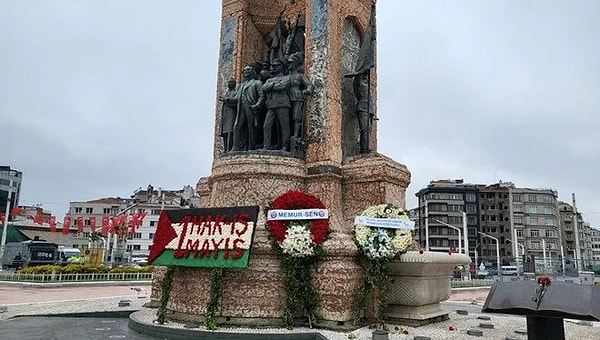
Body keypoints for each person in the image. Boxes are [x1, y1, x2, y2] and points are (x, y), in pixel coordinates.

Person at [257, 59, 292, 151]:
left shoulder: (287, 78)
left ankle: (285, 146)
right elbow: (264, 88)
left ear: (281, 67)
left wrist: (271, 86)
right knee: (266, 125)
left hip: (282, 104)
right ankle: (266, 146)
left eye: (276, 66)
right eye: (272, 66)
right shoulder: (269, 79)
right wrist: (273, 85)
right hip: (271, 105)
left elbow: (282, 86)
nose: (273, 68)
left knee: (284, 126)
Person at [232, 66, 263, 151]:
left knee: (252, 127)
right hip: (241, 107)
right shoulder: (240, 86)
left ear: (252, 71)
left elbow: (262, 96)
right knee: (237, 126)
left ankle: (252, 146)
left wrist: (257, 105)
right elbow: (236, 98)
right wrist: (227, 99)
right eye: (244, 70)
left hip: (251, 107)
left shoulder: (257, 83)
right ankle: (236, 146)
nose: (245, 71)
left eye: (248, 70)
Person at [287, 52, 313, 139]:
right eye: (288, 62)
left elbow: (309, 84)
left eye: (291, 62)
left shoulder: (300, 75)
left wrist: (307, 90)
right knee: (287, 117)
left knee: (296, 116)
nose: (289, 64)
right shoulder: (286, 76)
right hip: (286, 98)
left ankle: (296, 134)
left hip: (296, 97)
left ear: (295, 64)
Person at [353, 71, 374, 154]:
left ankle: (364, 147)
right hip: (362, 108)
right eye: (364, 75)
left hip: (369, 110)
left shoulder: (367, 86)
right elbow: (357, 80)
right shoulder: (359, 85)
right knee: (365, 129)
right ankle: (365, 148)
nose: (365, 77)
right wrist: (363, 69)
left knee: (368, 130)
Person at [219, 78, 237, 153]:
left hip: (232, 113)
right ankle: (225, 149)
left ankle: (230, 148)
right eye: (229, 82)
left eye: (231, 82)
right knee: (225, 132)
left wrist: (226, 99)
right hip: (225, 114)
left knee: (230, 131)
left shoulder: (235, 92)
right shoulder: (227, 92)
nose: (229, 84)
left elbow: (236, 100)